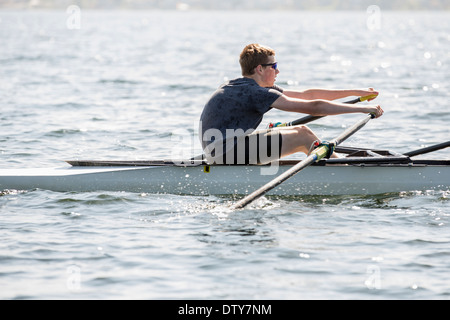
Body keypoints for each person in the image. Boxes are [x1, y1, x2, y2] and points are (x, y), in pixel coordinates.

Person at [199, 43, 383, 165]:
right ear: (260, 69)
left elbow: (308, 95)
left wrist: (356, 92)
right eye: (274, 65)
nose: (278, 71)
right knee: (302, 135)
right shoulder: (256, 92)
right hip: (227, 153)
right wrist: (363, 109)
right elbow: (315, 107)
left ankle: (336, 164)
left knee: (300, 132)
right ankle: (343, 170)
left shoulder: (241, 85)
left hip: (220, 150)